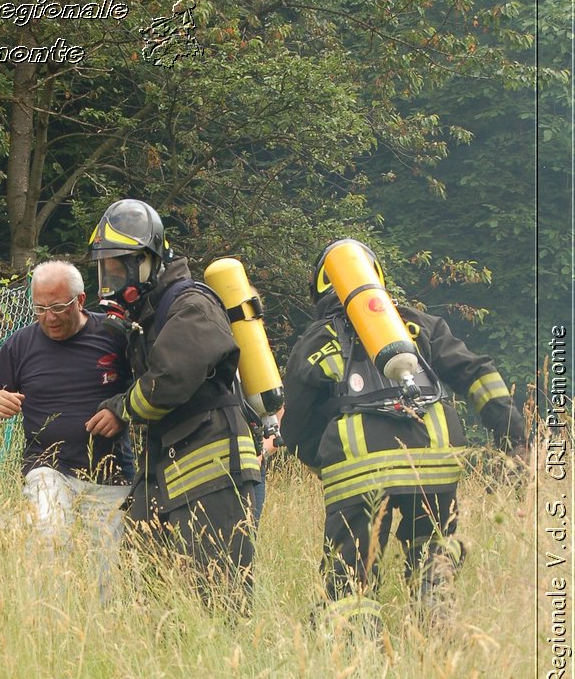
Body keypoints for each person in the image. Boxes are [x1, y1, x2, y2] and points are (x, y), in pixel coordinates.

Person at [281, 239, 528, 629]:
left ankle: (357, 653)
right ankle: (436, 619)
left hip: (359, 471)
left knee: (352, 578)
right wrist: (513, 436)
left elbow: (295, 426)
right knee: (433, 552)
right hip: (434, 462)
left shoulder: (314, 340)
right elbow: (476, 372)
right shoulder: (417, 323)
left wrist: (324, 460)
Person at [85, 198, 261, 607]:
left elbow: (169, 381)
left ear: (147, 263)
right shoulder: (147, 316)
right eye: (105, 268)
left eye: (119, 267)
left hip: (213, 467)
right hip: (166, 468)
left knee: (222, 594)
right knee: (142, 582)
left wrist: (120, 408)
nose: (110, 279)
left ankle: (228, 663)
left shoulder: (191, 305)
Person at [0, 260, 132, 550]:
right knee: (51, 535)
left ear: (81, 300)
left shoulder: (114, 335)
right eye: (40, 309)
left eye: (58, 307)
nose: (49, 318)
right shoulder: (19, 345)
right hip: (47, 467)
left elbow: (149, 389)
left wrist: (121, 412)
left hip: (111, 472)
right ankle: (44, 597)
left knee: (108, 566)